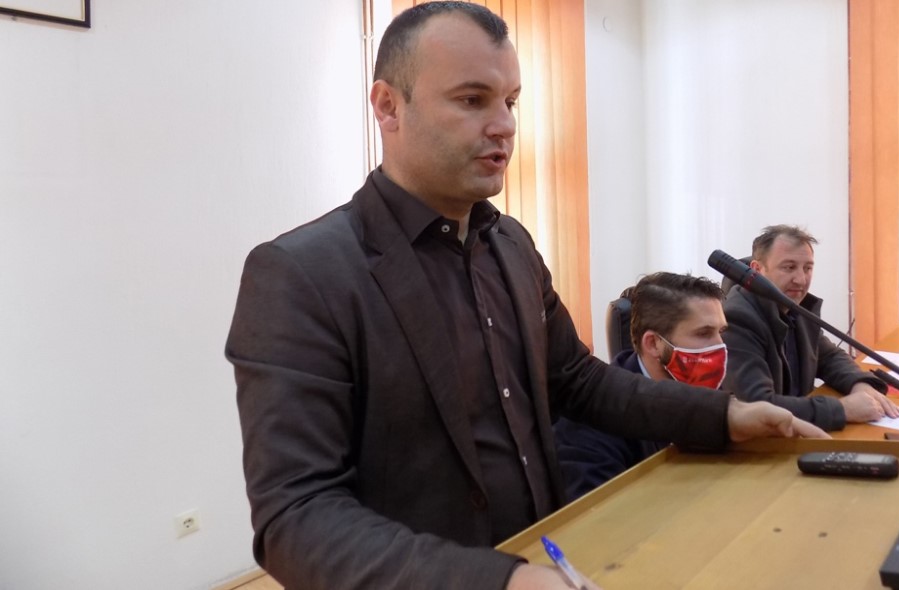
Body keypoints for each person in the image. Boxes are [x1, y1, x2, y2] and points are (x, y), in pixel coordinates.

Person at [225, 5, 828, 589]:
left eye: (510, 102)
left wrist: (724, 416)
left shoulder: (510, 244)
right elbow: (296, 517)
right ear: (388, 106)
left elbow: (579, 383)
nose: (505, 126)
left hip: (549, 558)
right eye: (472, 100)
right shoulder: (301, 274)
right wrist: (500, 581)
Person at [555, 272, 730, 500]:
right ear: (653, 344)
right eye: (704, 333)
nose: (720, 346)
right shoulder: (592, 426)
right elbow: (600, 513)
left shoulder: (702, 388)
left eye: (720, 332)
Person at [722, 224, 899, 431]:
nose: (801, 280)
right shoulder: (737, 319)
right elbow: (757, 405)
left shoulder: (794, 307)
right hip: (762, 444)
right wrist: (842, 409)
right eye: (789, 267)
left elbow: (830, 357)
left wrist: (859, 383)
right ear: (757, 270)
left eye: (807, 268)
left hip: (797, 433)